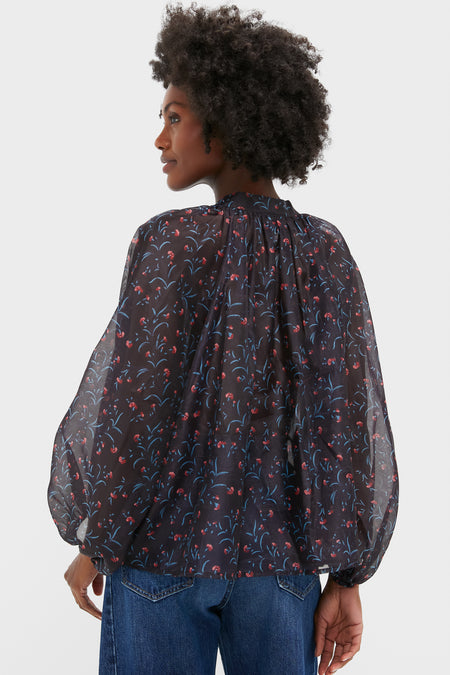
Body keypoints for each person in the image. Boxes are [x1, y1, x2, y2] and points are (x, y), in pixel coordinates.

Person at [49, 4, 398, 674]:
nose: (160, 138)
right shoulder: (324, 252)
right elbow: (347, 425)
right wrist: (347, 575)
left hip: (159, 559)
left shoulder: (169, 244)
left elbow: (133, 413)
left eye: (175, 117)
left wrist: (98, 540)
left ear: (229, 122)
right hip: (281, 569)